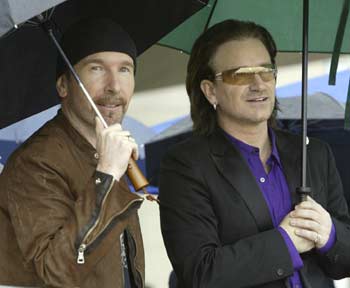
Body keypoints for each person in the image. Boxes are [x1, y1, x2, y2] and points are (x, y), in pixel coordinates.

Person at [159, 19, 350, 288]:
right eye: (240, 74)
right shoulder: (186, 165)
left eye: (266, 71)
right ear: (210, 91)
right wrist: (286, 242)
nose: (258, 84)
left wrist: (330, 234)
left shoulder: (314, 154)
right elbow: (201, 273)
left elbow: (344, 259)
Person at [0, 18, 145, 287]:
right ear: (63, 86)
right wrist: (106, 176)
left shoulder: (107, 152)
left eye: (125, 69)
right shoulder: (35, 162)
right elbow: (57, 272)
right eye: (96, 68)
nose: (114, 85)